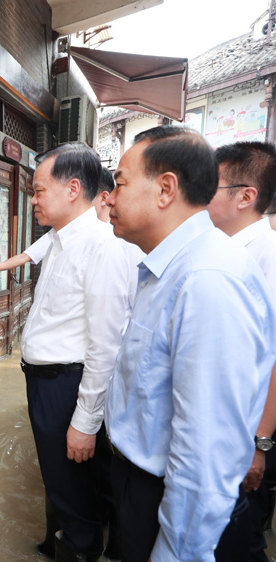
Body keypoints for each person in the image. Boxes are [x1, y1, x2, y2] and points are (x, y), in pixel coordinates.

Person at [104, 126, 276, 562]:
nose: (109, 199)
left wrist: (176, 551)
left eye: (120, 184)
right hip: (137, 483)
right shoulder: (171, 266)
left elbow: (206, 447)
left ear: (166, 189)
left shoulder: (207, 279)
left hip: (162, 500)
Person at [17, 145, 136, 561]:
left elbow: (106, 345)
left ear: (72, 189)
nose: (33, 200)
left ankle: (82, 550)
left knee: (75, 496)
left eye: (38, 191)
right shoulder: (59, 240)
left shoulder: (102, 246)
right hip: (46, 384)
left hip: (66, 387)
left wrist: (84, 422)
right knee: (62, 484)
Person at [207, 141, 276, 562]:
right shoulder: (229, 249)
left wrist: (259, 443)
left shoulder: (267, 256)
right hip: (225, 426)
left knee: (241, 540)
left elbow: (274, 357)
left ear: (245, 196)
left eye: (211, 185)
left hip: (247, 432)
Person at [0, 166, 119, 276]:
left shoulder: (114, 240)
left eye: (87, 196)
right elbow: (26, 255)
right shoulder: (63, 231)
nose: (34, 201)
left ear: (104, 198)